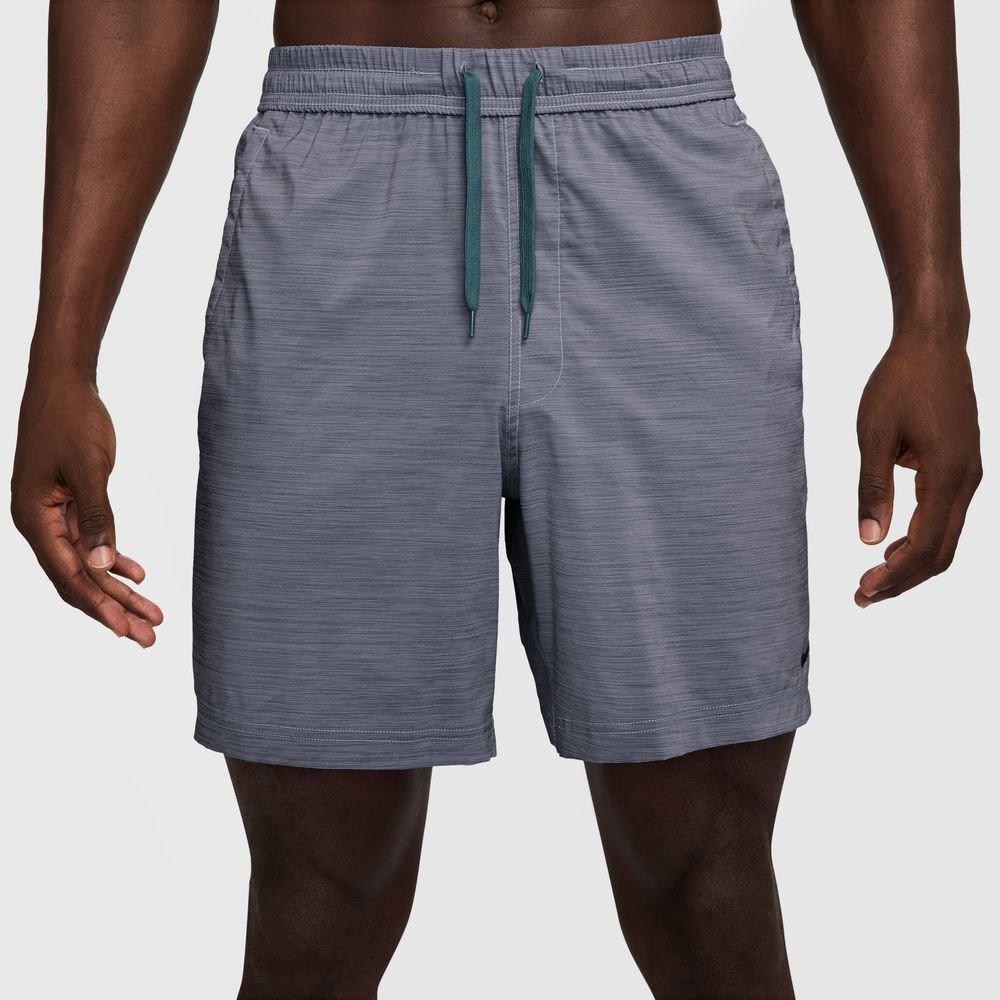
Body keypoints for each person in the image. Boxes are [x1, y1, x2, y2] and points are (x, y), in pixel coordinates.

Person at [11, 1, 982, 997]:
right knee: (318, 893)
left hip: (656, 172)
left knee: (707, 872)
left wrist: (931, 316)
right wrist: (61, 356)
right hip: (341, 180)